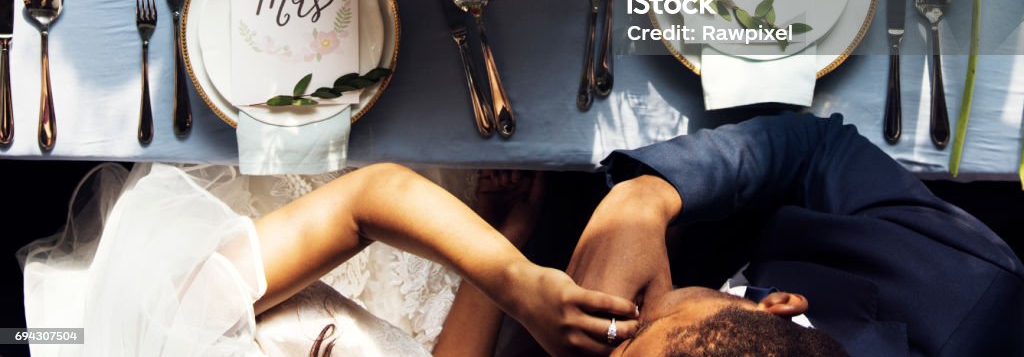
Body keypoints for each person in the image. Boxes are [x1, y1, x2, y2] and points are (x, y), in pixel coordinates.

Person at [19, 162, 637, 357]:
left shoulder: (177, 330)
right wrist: (511, 239)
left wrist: (516, 281)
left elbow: (361, 203)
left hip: (78, 324)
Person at [564, 112, 1024, 357]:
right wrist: (647, 197)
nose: (611, 340)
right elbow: (819, 148)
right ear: (779, 305)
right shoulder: (961, 280)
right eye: (638, 334)